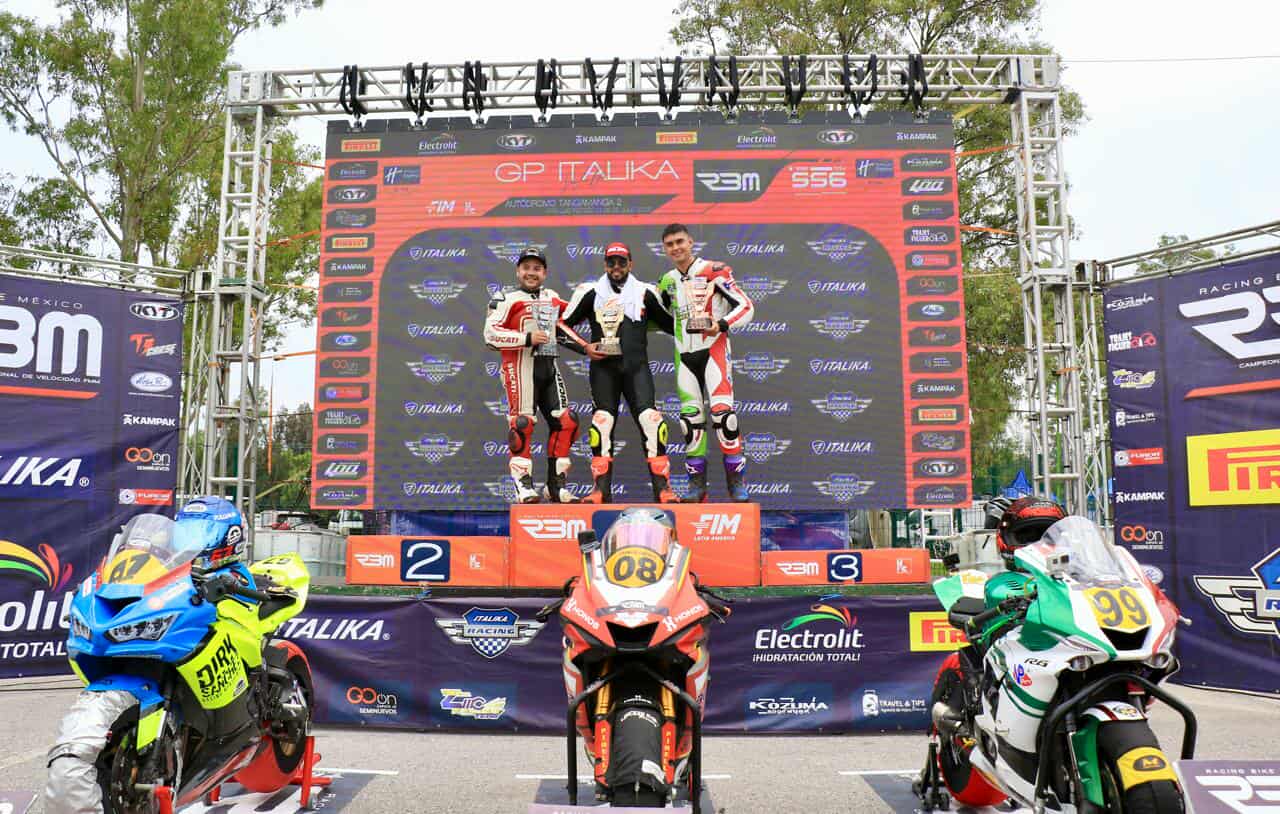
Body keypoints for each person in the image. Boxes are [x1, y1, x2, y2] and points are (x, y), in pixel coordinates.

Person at [561, 242, 678, 503]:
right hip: (604, 370)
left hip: (637, 370)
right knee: (601, 423)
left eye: (621, 262)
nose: (616, 267)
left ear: (630, 264)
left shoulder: (645, 292)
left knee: (652, 421)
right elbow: (561, 325)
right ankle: (600, 491)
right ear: (605, 265)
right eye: (611, 262)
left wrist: (687, 306)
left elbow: (672, 325)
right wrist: (584, 347)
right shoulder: (590, 292)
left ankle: (663, 490)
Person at [657, 224, 755, 502]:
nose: (676, 248)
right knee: (690, 421)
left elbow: (746, 306)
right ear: (664, 249)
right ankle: (696, 488)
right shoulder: (666, 281)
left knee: (724, 417)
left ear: (690, 242)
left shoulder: (714, 271)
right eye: (670, 244)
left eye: (680, 241)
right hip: (684, 357)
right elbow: (658, 316)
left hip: (714, 351)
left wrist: (720, 324)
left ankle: (736, 484)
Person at [483, 246, 585, 503]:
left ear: (545, 273)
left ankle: (556, 486)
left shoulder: (552, 297)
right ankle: (523, 486)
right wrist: (527, 338)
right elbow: (490, 335)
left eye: (537, 268)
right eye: (526, 268)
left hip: (549, 367)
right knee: (522, 424)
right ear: (518, 271)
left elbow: (567, 320)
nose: (531, 273)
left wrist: (587, 346)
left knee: (567, 421)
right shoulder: (506, 299)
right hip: (520, 367)